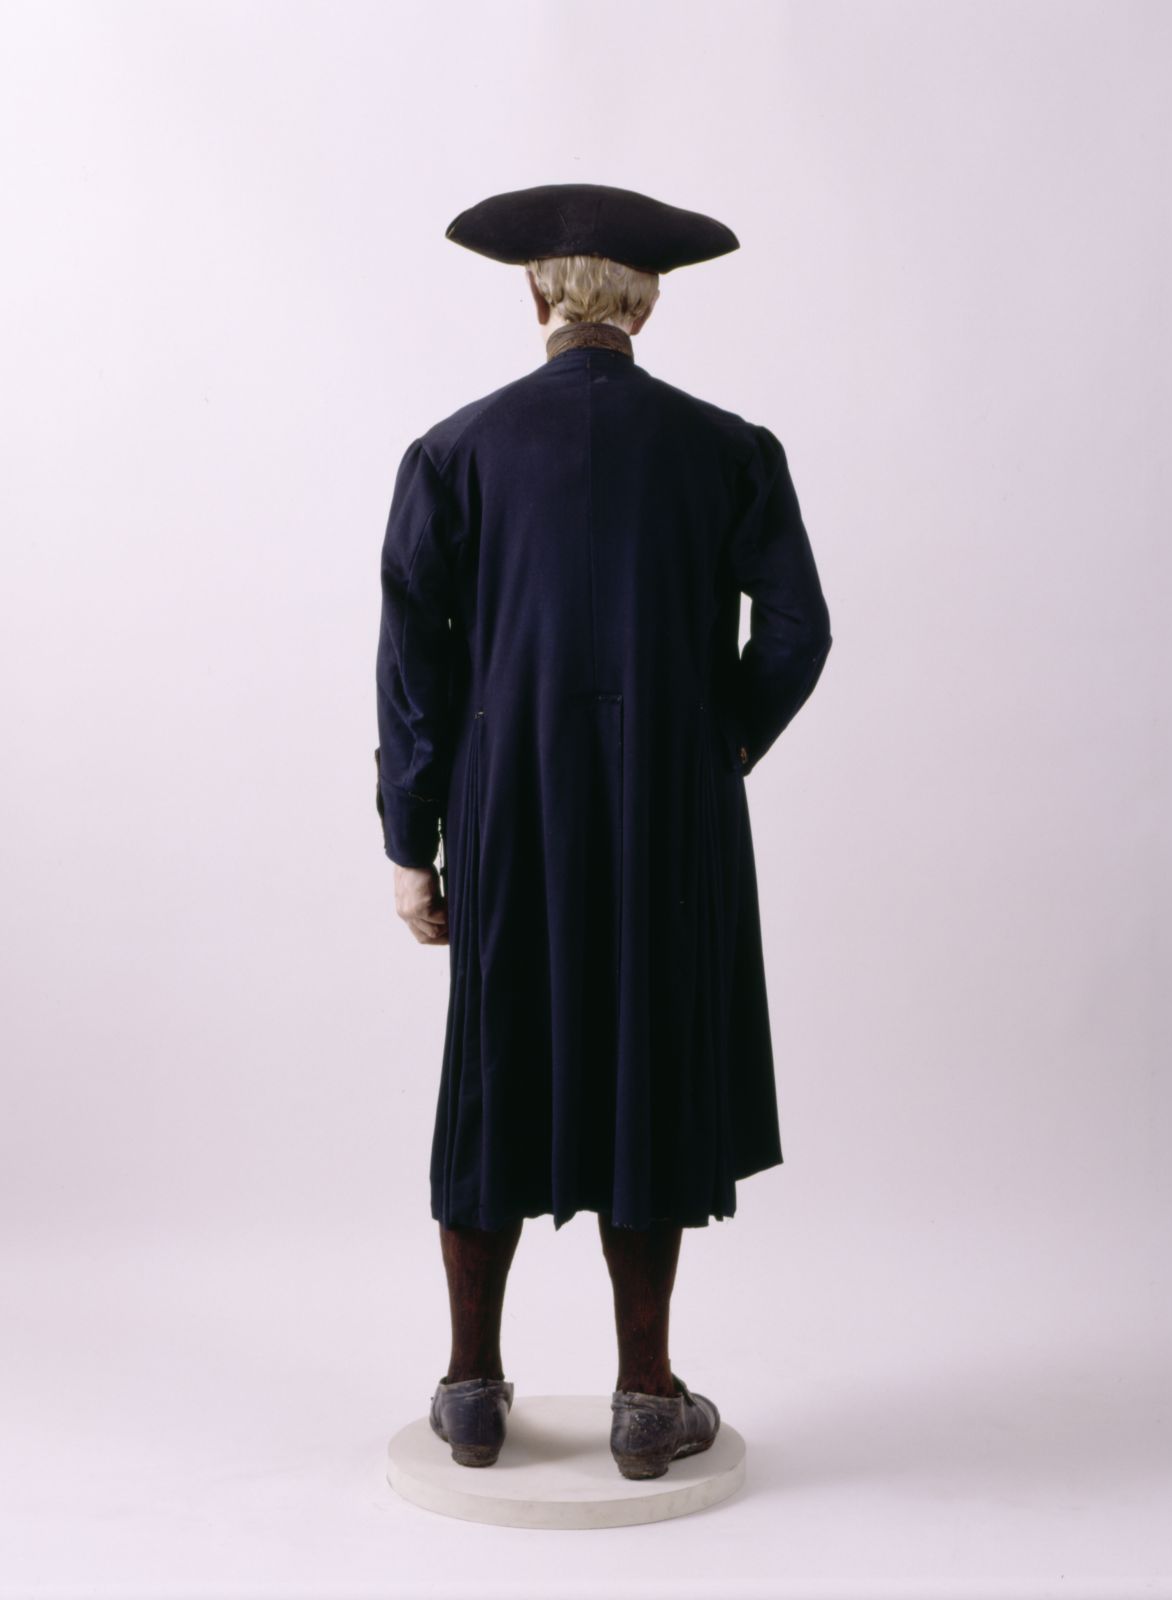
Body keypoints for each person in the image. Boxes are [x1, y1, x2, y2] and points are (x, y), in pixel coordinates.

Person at [374, 184, 833, 1477]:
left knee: (493, 1067)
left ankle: (470, 1390)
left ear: (537, 294)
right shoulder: (729, 450)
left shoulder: (451, 454)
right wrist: (717, 745)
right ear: (648, 301)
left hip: (505, 806)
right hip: (666, 814)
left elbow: (414, 669)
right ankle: (644, 1398)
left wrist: (411, 842)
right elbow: (798, 632)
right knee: (647, 1058)